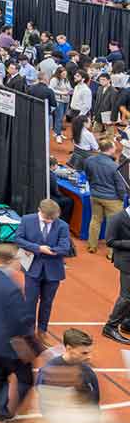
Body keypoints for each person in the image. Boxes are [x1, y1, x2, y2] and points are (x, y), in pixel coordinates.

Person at [0, 243, 37, 423]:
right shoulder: (12, 287)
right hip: (14, 341)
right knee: (25, 378)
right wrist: (33, 346)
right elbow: (21, 320)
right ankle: (6, 410)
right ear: (13, 260)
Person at [14, 198, 70, 339]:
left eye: (53, 219)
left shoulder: (62, 225)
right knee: (30, 301)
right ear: (39, 210)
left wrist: (49, 250)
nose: (50, 221)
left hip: (53, 271)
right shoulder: (27, 220)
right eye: (47, 218)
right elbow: (18, 239)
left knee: (47, 302)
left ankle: (42, 331)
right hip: (32, 268)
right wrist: (38, 248)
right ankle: (28, 332)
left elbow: (65, 247)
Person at [83, 139, 126, 254]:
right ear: (110, 149)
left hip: (95, 195)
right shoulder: (114, 166)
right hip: (112, 199)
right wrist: (122, 198)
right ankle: (111, 253)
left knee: (95, 220)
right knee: (113, 225)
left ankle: (92, 246)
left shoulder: (89, 160)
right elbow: (120, 186)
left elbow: (88, 175)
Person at [101, 205, 130, 344]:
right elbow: (110, 241)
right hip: (126, 262)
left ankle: (127, 323)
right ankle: (110, 327)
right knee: (127, 296)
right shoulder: (117, 218)